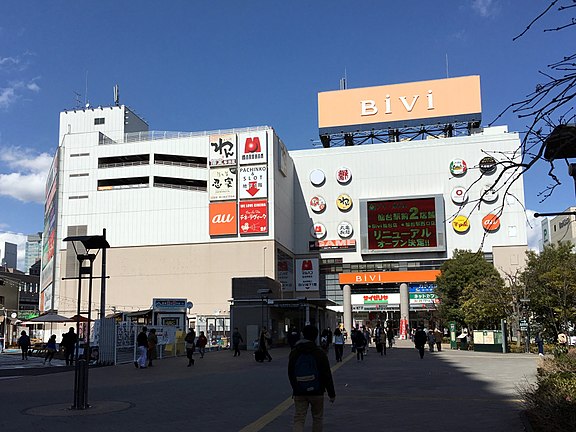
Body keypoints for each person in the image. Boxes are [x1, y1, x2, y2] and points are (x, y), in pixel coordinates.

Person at [288, 325, 336, 432]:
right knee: (317, 418)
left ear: (303, 335)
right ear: (316, 336)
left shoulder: (295, 352)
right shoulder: (319, 353)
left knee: (299, 418)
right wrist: (331, 393)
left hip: (299, 391)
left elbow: (290, 372)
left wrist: (295, 387)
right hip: (317, 391)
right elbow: (326, 374)